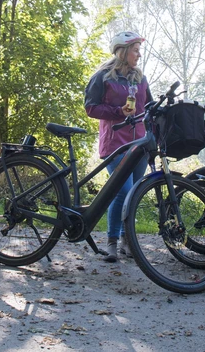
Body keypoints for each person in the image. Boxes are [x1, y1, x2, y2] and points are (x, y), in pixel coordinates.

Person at [84, 31, 152, 262]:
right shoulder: (103, 77)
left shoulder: (140, 78)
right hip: (116, 144)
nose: (139, 55)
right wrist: (117, 112)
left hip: (140, 144)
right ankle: (112, 242)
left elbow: (149, 106)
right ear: (122, 51)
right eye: (135, 50)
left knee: (133, 194)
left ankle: (126, 242)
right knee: (121, 191)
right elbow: (91, 107)